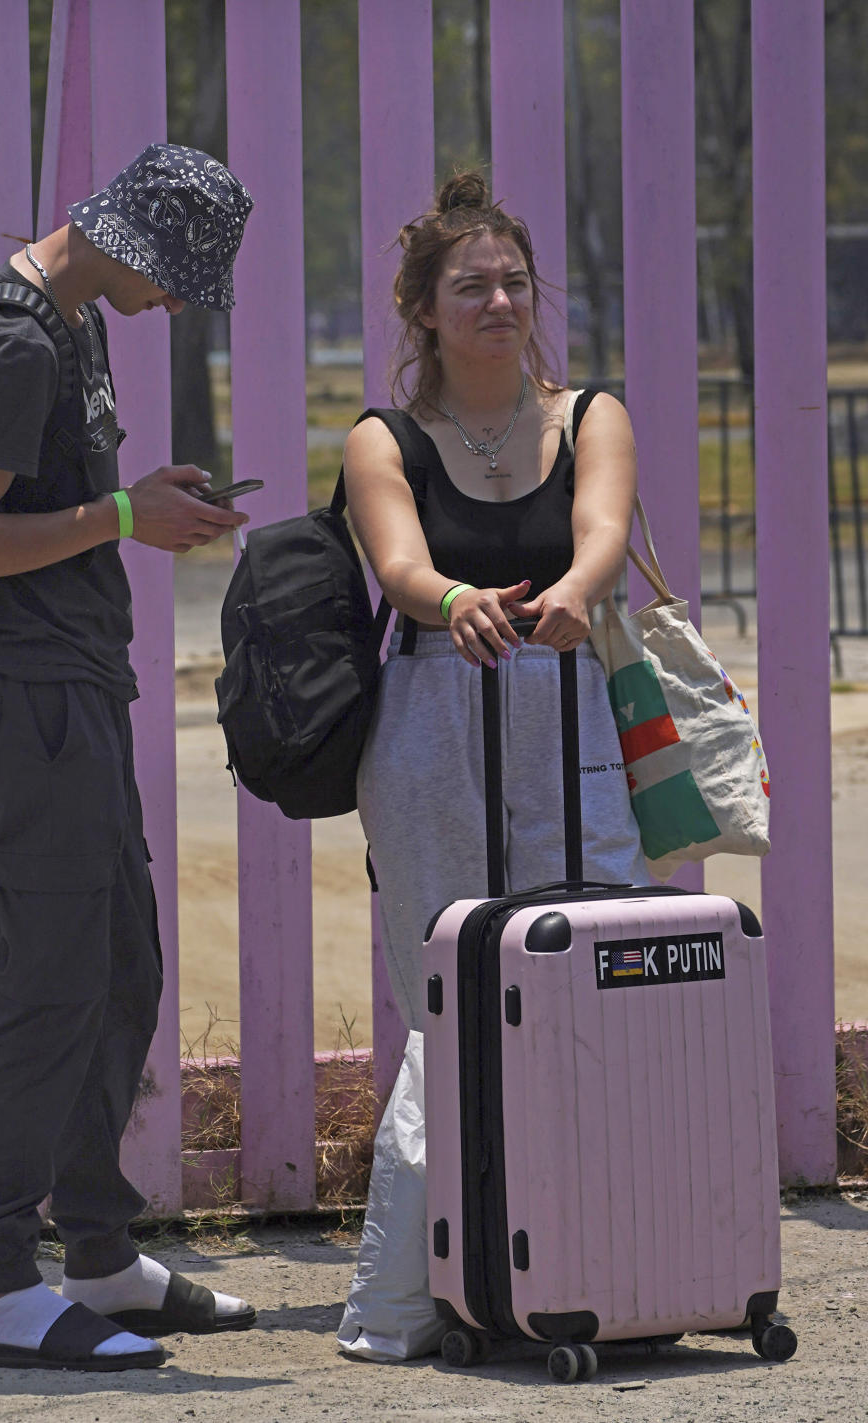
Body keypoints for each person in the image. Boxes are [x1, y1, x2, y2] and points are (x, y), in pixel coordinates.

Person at [0, 144, 256, 1372]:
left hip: (76, 686)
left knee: (118, 964)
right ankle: (2, 1285)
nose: (174, 303)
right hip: (23, 702)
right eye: (174, 278)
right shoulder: (14, 344)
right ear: (125, 242)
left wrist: (141, 500)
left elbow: (50, 506)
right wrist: (123, 516)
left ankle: (99, 1253)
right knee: (51, 984)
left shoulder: (74, 322)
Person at [336, 172, 647, 1361]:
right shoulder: (386, 437)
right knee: (451, 993)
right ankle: (406, 1301)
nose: (501, 301)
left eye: (515, 281)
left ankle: (600, 1260)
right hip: (432, 720)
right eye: (472, 286)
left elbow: (603, 534)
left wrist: (572, 591)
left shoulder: (588, 415)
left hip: (568, 712)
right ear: (424, 310)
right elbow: (402, 563)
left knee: (594, 971)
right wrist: (457, 599)